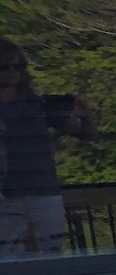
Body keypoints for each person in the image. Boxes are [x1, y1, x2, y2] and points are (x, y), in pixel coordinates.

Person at [0, 40, 94, 259]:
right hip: (5, 196)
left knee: (50, 256)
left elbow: (86, 135)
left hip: (44, 192)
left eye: (18, 67)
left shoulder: (36, 104)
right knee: (6, 259)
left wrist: (85, 114)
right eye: (5, 67)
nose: (13, 72)